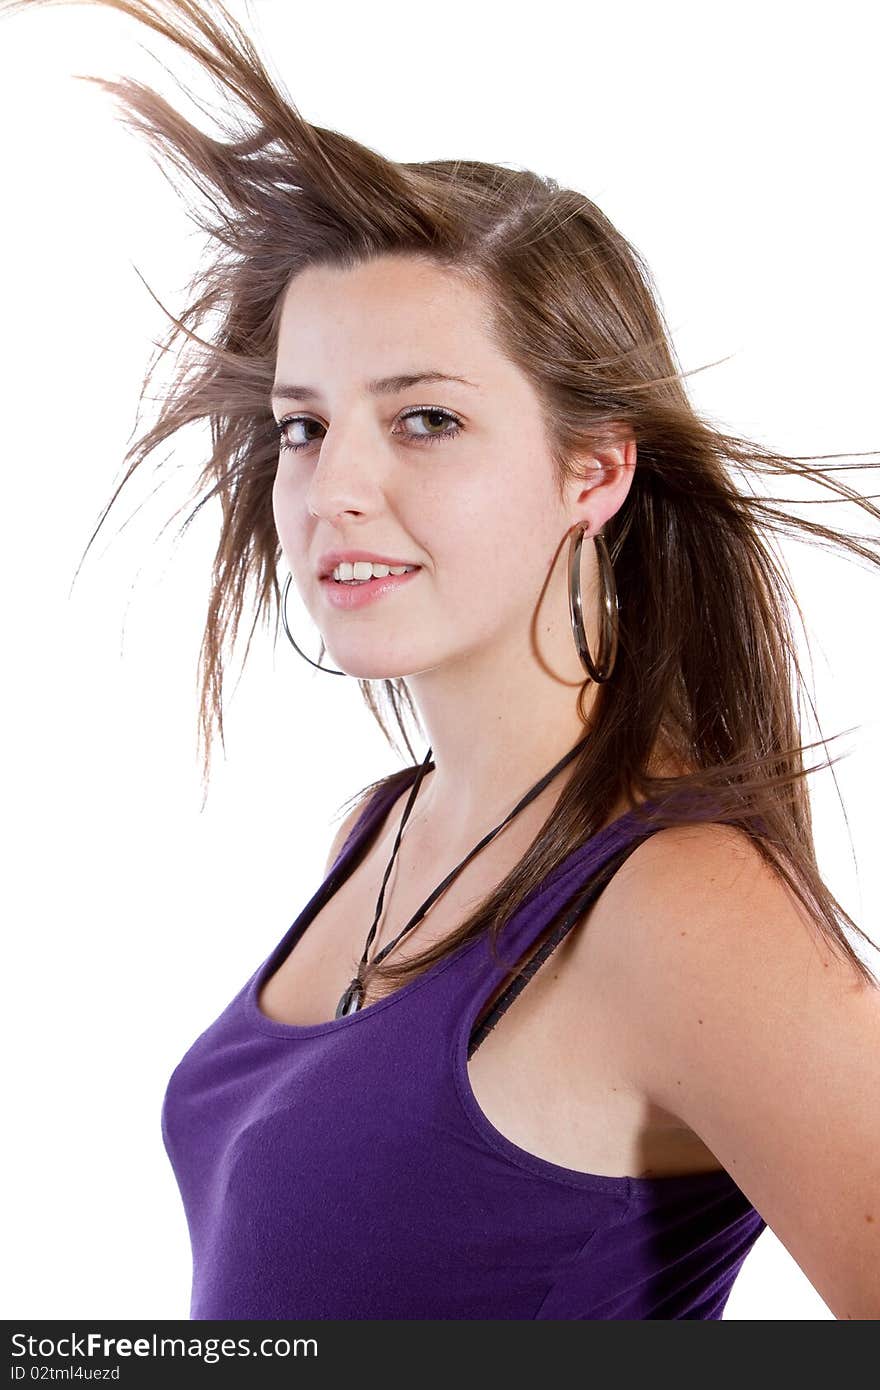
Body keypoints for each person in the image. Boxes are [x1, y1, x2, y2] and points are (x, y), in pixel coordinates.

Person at [19, 0, 880, 1320]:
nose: (333, 488)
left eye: (424, 418)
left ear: (592, 468)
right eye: (305, 427)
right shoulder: (382, 834)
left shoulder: (679, 906)